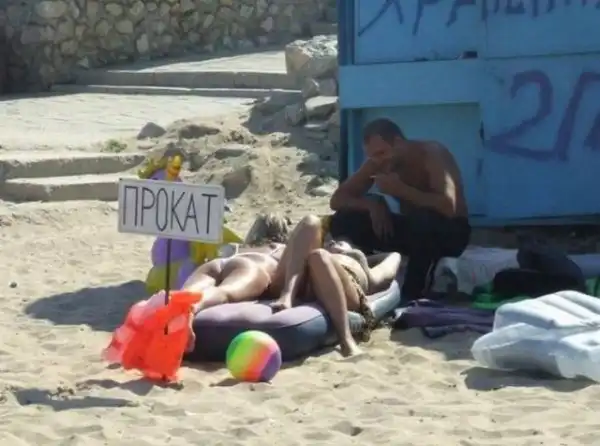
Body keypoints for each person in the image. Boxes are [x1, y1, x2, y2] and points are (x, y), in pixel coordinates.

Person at [184, 213, 400, 357]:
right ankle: (182, 308)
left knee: (318, 255)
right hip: (279, 277)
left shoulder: (354, 264)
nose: (334, 243)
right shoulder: (295, 254)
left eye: (341, 243)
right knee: (311, 224)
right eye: (332, 241)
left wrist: (362, 257)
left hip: (246, 265)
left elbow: (393, 261)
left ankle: (346, 340)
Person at [329, 118, 471, 301]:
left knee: (424, 219)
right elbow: (337, 200)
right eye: (372, 156)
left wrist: (401, 190)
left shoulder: (431, 154)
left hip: (449, 232)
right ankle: (363, 276)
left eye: (382, 153)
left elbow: (448, 208)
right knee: (344, 219)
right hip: (413, 233)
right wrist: (372, 205)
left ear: (398, 143)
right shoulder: (378, 162)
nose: (378, 160)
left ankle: (413, 293)